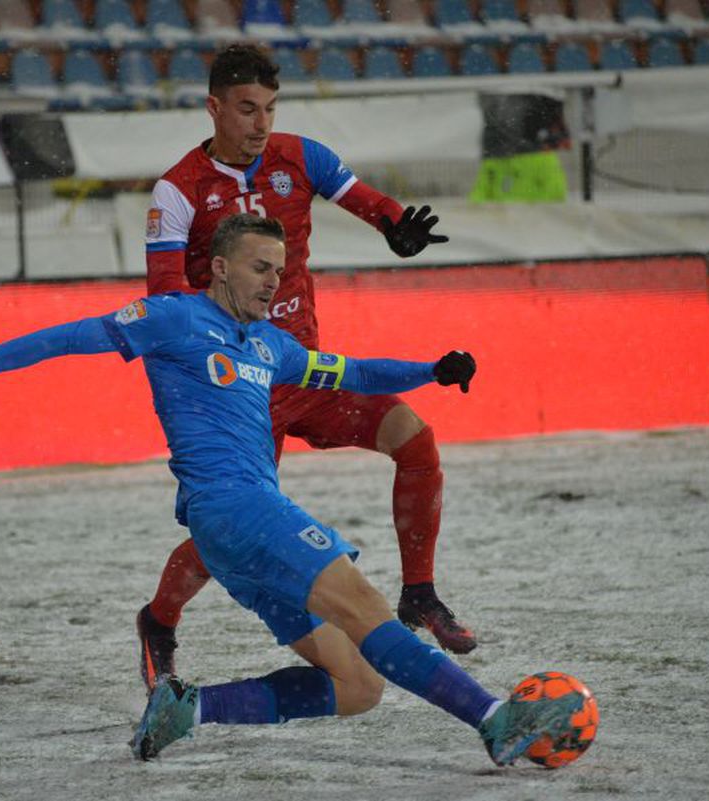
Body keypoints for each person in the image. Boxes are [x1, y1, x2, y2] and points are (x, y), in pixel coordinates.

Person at [0, 214, 582, 765]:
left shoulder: (269, 345)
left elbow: (353, 372)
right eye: (260, 268)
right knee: (367, 608)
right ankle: (494, 718)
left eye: (278, 270)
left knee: (358, 684)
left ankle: (189, 706)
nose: (272, 281)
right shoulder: (171, 318)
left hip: (227, 538)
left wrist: (431, 370)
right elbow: (65, 339)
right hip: (240, 509)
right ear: (221, 267)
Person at [137, 43, 472, 692]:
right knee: (223, 536)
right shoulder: (177, 191)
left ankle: (419, 594)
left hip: (307, 373)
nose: (260, 123)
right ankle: (158, 620)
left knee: (416, 442)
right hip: (238, 395)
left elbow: (369, 201)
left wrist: (396, 227)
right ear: (213, 108)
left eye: (269, 108)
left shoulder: (301, 157)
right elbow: (163, 302)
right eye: (246, 109)